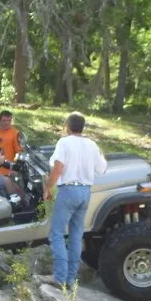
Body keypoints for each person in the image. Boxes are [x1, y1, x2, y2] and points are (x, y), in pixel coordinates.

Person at [43, 112, 108, 290]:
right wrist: (101, 153)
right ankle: (71, 279)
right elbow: (102, 168)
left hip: (68, 191)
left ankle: (59, 277)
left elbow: (58, 167)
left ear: (67, 126)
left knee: (56, 234)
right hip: (85, 192)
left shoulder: (64, 142)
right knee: (76, 236)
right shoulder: (92, 144)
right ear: (82, 127)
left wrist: (47, 187)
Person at [0, 110, 23, 177]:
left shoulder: (16, 133)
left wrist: (14, 167)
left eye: (9, 121)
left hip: (7, 172)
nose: (7, 123)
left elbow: (19, 153)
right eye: (4, 121)